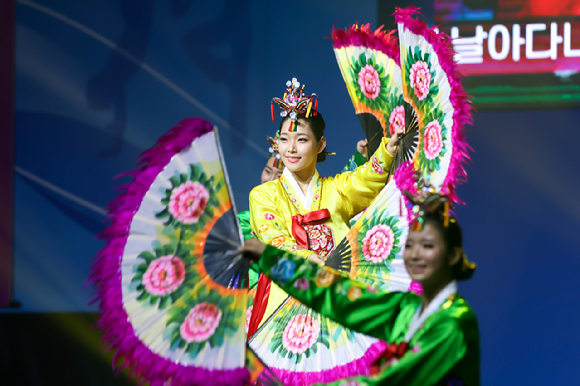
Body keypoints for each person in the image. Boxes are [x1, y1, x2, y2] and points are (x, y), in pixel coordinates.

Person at [241, 192, 480, 385]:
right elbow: (340, 295)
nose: (415, 254)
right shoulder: (407, 309)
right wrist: (274, 260)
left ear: (453, 255)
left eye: (427, 245)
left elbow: (391, 381)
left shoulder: (454, 323)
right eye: (409, 245)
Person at [247, 77, 403, 339]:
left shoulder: (337, 189)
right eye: (284, 140)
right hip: (286, 294)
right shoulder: (263, 195)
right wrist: (307, 258)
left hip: (336, 292)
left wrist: (387, 150)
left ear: (320, 145)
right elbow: (272, 237)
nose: (291, 149)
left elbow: (366, 178)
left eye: (302, 140)